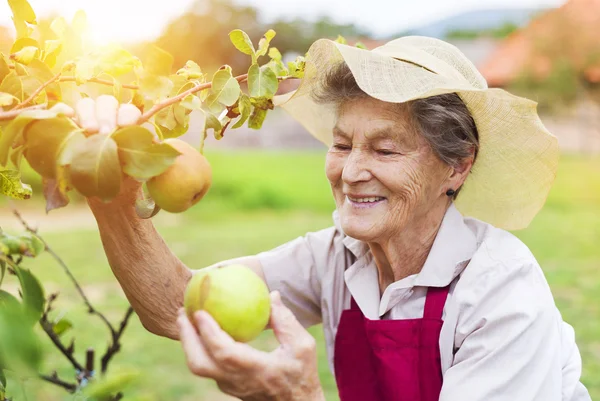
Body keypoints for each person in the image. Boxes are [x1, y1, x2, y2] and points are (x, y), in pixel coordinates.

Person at [82, 36, 592, 401]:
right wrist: (111, 193)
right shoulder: (336, 255)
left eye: (385, 149)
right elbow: (179, 306)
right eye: (342, 144)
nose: (350, 172)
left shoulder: (501, 294)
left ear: (457, 166)